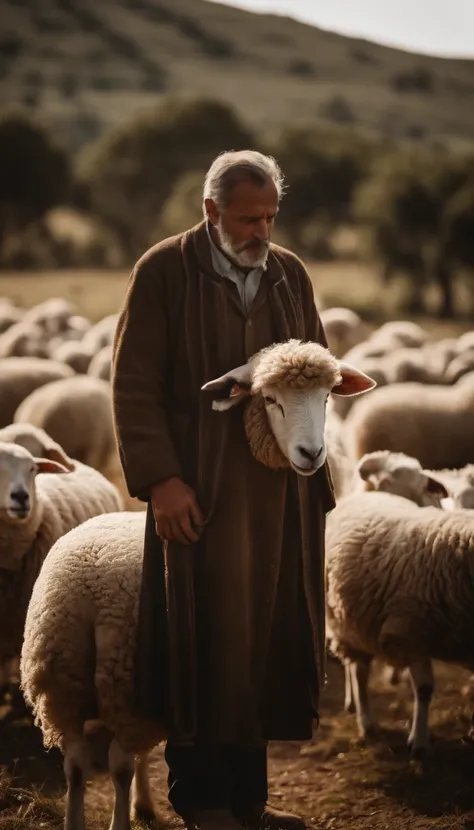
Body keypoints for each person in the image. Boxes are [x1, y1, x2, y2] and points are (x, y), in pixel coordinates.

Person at [111, 150, 336, 830]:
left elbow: (315, 363)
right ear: (211, 211)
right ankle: (200, 799)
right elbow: (133, 386)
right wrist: (162, 480)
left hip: (275, 493)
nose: (261, 231)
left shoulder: (288, 272)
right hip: (198, 489)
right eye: (247, 218)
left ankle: (247, 801)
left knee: (262, 639)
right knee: (201, 635)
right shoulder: (164, 271)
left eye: (270, 216)